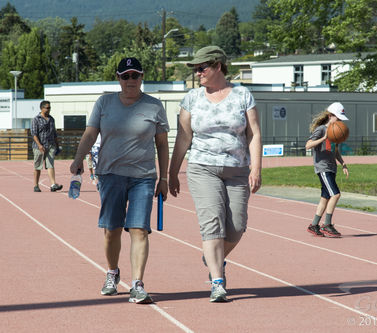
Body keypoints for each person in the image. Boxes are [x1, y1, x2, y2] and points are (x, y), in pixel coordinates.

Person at [69, 57, 169, 303]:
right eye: (125, 76)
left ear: (142, 77)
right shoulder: (105, 102)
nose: (130, 80)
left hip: (143, 178)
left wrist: (164, 177)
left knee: (139, 230)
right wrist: (78, 158)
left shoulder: (155, 106)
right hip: (110, 175)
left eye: (135, 75)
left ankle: (137, 284)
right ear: (118, 78)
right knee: (112, 231)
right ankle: (112, 273)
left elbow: (163, 145)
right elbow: (91, 133)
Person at [168, 46, 262, 302]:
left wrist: (256, 167)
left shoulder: (243, 94)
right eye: (196, 69)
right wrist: (172, 173)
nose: (197, 73)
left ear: (218, 66)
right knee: (213, 224)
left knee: (236, 228)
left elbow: (253, 133)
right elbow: (184, 137)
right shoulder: (192, 98)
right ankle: (217, 281)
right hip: (202, 168)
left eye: (202, 68)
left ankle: (212, 258)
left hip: (237, 169)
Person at [305, 102, 349, 238]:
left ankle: (314, 225)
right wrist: (323, 138)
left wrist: (343, 163)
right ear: (330, 116)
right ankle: (327, 224)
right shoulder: (321, 130)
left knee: (325, 197)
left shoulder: (335, 131)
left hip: (332, 167)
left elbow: (335, 150)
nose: (340, 120)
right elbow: (307, 145)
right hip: (322, 167)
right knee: (336, 194)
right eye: (338, 117)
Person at [31, 100, 63, 192]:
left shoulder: (52, 119)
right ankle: (36, 185)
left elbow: (54, 133)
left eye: (50, 108)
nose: (49, 109)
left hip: (50, 146)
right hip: (39, 147)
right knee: (38, 166)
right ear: (42, 108)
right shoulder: (36, 119)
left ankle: (53, 185)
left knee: (50, 165)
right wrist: (39, 145)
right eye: (47, 108)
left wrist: (57, 146)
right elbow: (34, 134)